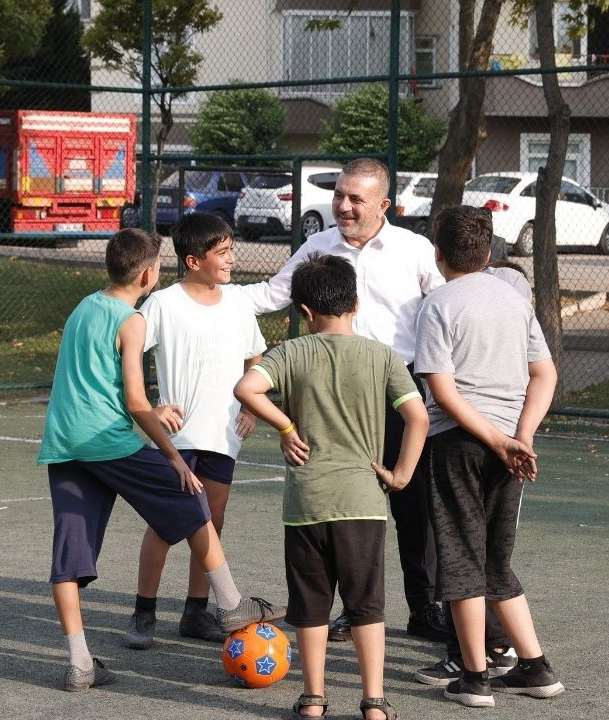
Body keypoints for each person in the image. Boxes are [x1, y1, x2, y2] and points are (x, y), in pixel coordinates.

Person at [36, 227, 282, 692]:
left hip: (64, 444)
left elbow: (102, 382)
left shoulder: (83, 307)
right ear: (149, 274)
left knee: (68, 558)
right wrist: (173, 456)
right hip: (107, 442)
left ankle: (80, 663)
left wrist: (156, 407)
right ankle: (230, 604)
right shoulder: (133, 321)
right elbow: (133, 400)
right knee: (193, 501)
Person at [240, 157, 448, 642]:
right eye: (339, 194)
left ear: (384, 204)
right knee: (341, 507)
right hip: (334, 396)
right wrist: (206, 292)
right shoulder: (317, 245)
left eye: (356, 198)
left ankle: (425, 607)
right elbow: (270, 295)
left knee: (412, 507)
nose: (344, 206)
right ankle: (351, 609)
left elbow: (444, 310)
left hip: (399, 391)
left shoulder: (413, 249)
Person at [235, 253, 426, 720]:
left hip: (306, 502)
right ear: (356, 303)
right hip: (362, 502)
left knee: (311, 604)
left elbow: (246, 388)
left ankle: (314, 699)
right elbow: (417, 417)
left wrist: (285, 427)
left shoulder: (289, 353)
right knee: (366, 604)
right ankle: (375, 701)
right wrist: (399, 475)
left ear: (303, 311)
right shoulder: (383, 357)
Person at [413, 206, 564, 707]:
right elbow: (545, 374)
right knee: (495, 561)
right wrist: (520, 436)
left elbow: (443, 392)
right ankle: (536, 668)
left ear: (438, 253)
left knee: (458, 557)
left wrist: (499, 441)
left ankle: (474, 678)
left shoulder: (438, 304)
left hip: (458, 444)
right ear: (491, 250)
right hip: (509, 445)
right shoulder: (513, 299)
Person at [121, 213, 266, 648]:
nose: (231, 259)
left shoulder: (238, 302)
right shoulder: (163, 304)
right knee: (167, 524)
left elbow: (255, 356)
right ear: (193, 260)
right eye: (222, 253)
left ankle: (195, 612)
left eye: (230, 250)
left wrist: (251, 404)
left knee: (211, 520)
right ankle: (143, 612)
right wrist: (152, 404)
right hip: (179, 438)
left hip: (224, 434)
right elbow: (126, 353)